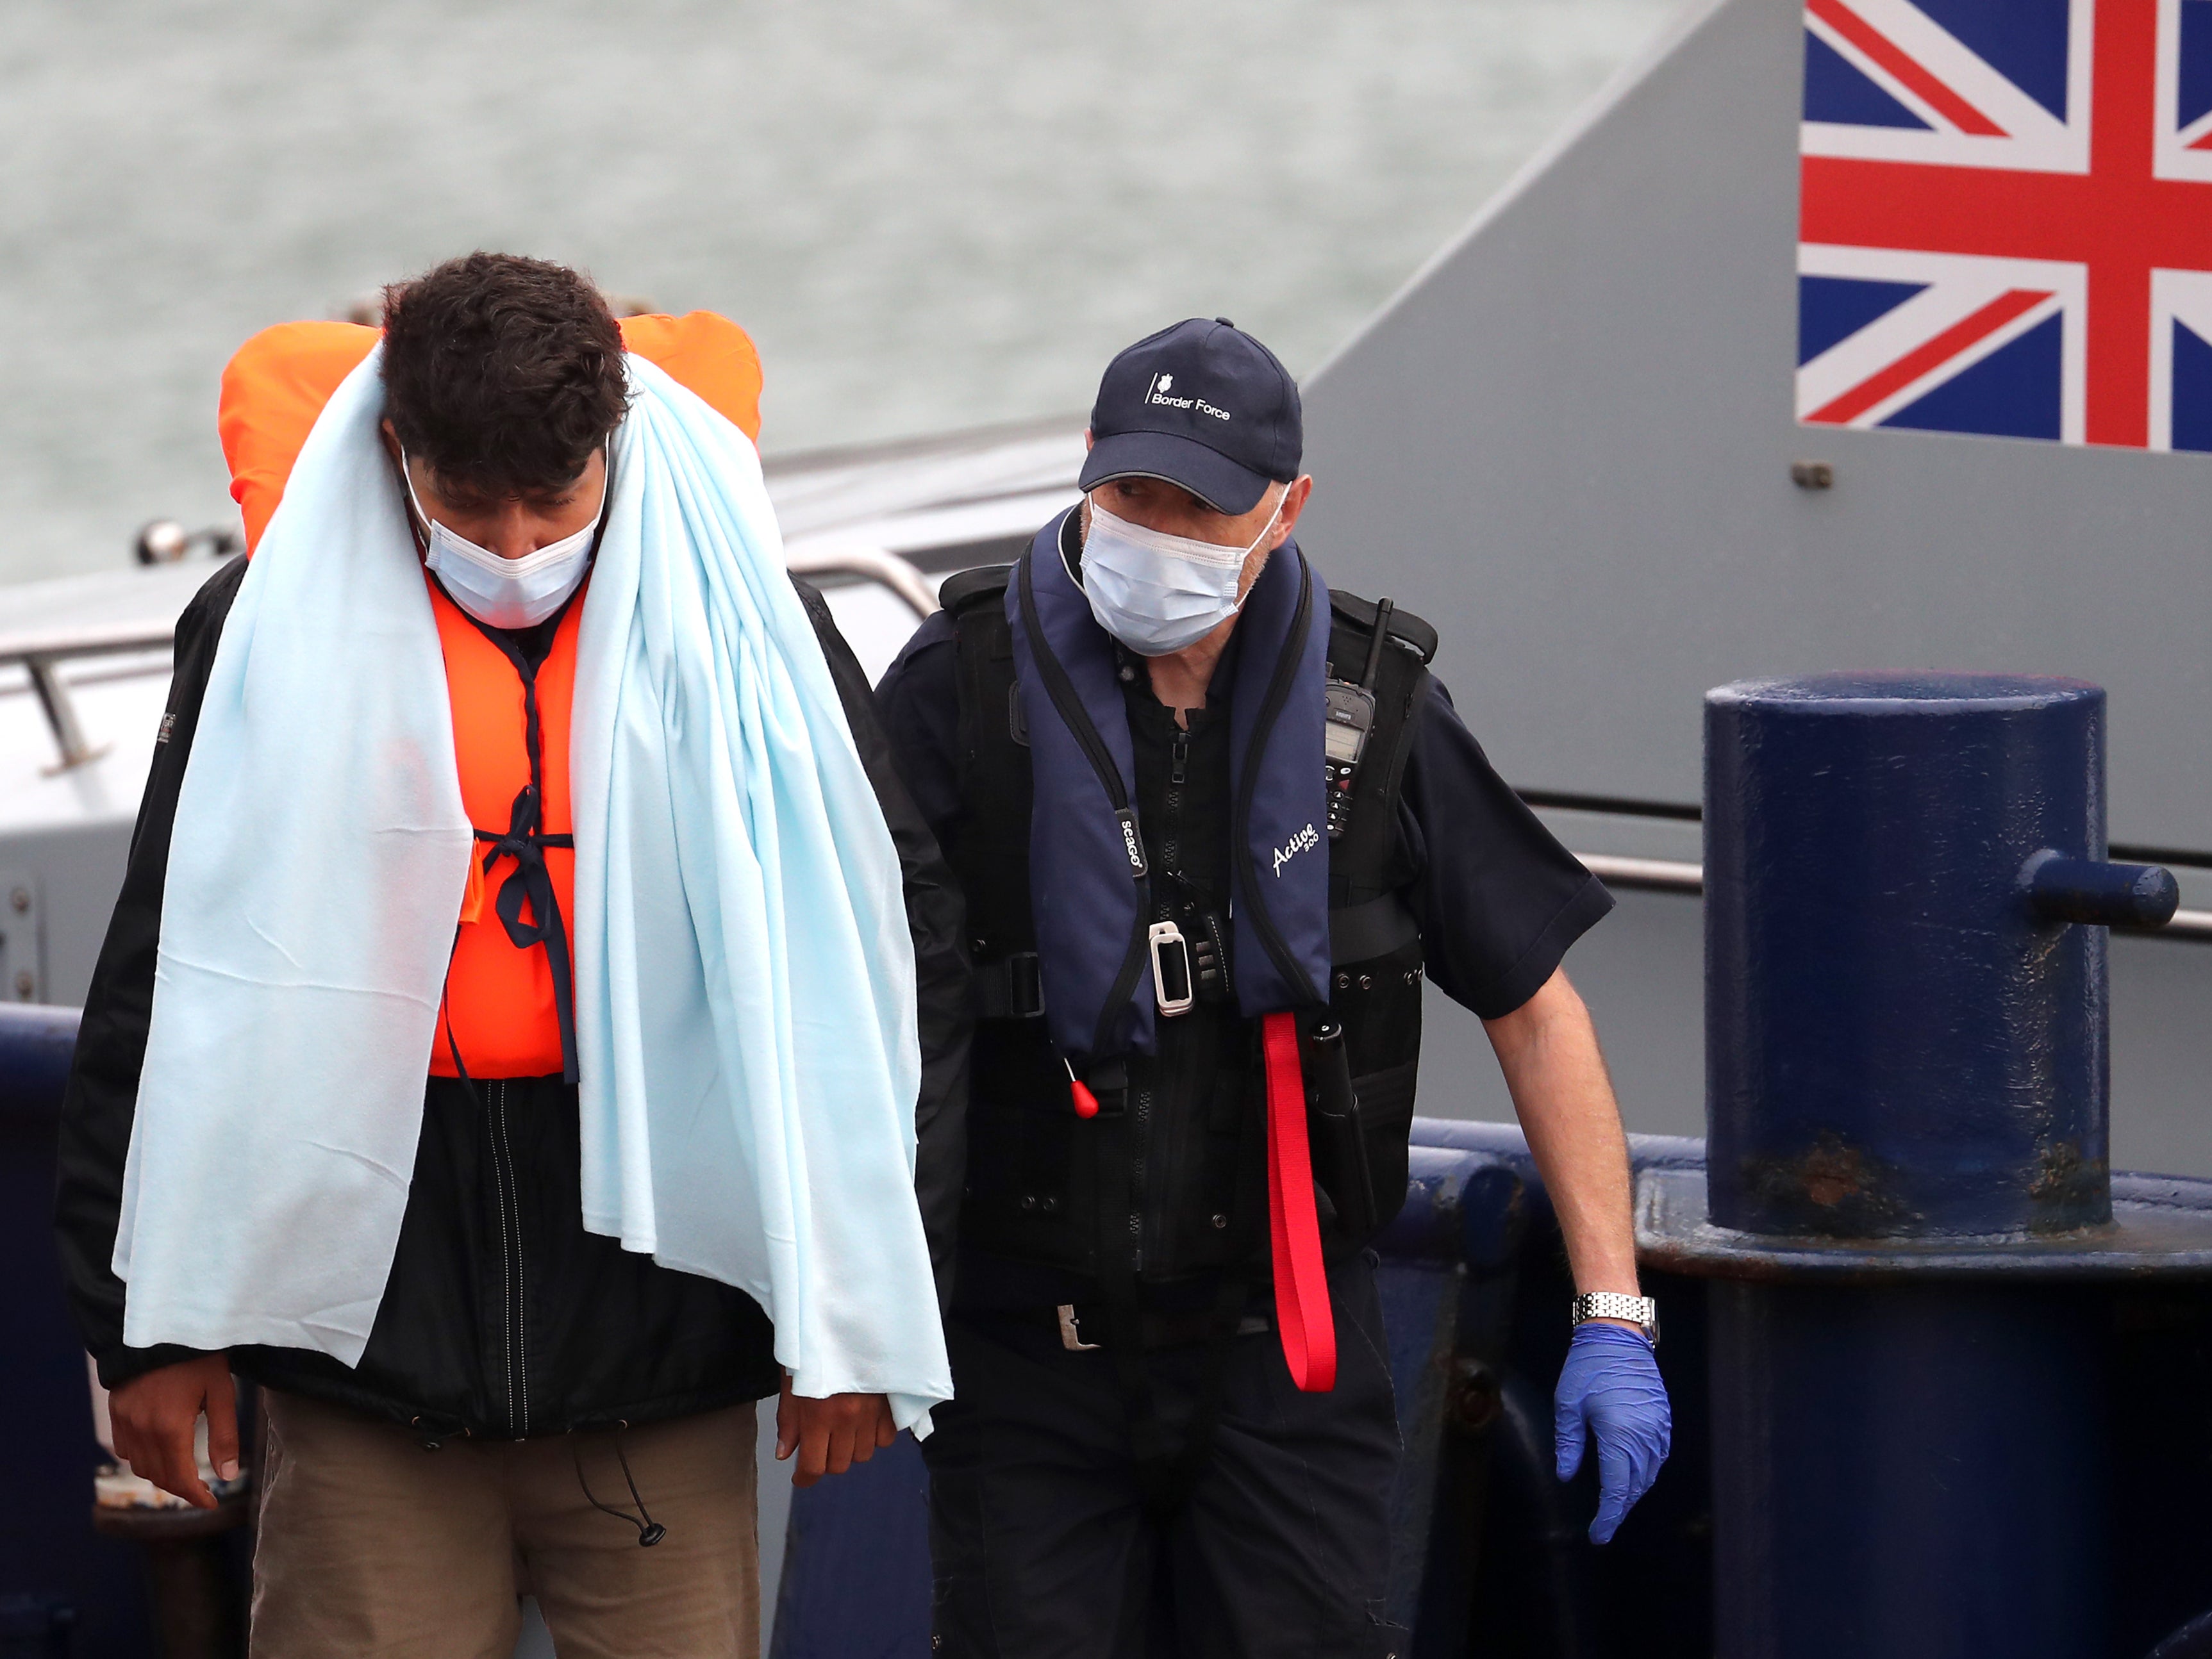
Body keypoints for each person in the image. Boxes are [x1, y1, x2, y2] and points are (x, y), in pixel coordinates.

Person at [54, 252, 969, 1659]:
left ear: (615, 441)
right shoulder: (256, 630)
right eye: (468, 501)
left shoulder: (752, 629)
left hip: (661, 1357)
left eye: (557, 497)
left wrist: (853, 1304)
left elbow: (889, 962)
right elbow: (163, 972)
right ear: (392, 448)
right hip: (366, 1370)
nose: (520, 538)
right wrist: (147, 1329)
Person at [874, 317, 1670, 1656]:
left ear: (1288, 508)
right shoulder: (959, 686)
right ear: (1085, 465)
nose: (1162, 532)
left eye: (1204, 506)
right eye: (1135, 494)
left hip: (1286, 1364)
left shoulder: (1381, 704)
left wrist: (1611, 1312)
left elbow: (1536, 1006)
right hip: (1025, 1361)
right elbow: (836, 986)